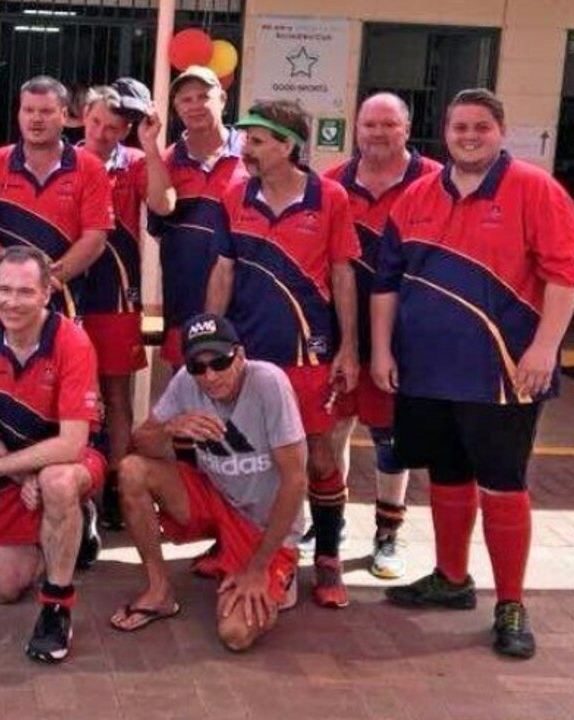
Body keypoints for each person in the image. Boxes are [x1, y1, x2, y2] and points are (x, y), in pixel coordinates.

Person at [373, 88, 574, 660]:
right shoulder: (415, 197)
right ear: (445, 130)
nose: (469, 135)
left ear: (501, 131)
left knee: (503, 484)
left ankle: (511, 602)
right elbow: (387, 282)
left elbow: (564, 278)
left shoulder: (536, 191)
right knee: (447, 474)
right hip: (426, 372)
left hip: (504, 374)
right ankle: (452, 578)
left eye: (481, 127)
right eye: (460, 126)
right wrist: (383, 351)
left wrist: (544, 350)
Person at [205, 99, 360, 609]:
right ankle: (231, 540)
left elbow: (342, 276)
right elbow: (223, 270)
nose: (245, 149)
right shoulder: (234, 195)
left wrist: (349, 348)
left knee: (317, 457)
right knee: (236, 449)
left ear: (287, 145)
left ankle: (329, 557)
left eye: (256, 140)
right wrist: (210, 339)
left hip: (307, 357)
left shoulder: (330, 197)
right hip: (245, 354)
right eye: (245, 138)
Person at [109, 313, 307, 652]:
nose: (210, 375)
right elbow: (140, 442)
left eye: (220, 362)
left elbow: (296, 481)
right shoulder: (186, 381)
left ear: (240, 355)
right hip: (217, 498)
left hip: (262, 524)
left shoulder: (268, 383)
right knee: (131, 471)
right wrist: (171, 428)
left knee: (235, 634)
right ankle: (159, 591)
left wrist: (258, 568)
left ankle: (270, 568)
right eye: (199, 367)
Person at [0, 246, 106, 664]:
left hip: (74, 462)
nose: (11, 301)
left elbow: (73, 444)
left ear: (46, 295)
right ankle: (71, 529)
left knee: (57, 482)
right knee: (3, 589)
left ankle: (57, 606)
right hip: (19, 467)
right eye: (3, 290)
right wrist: (20, 478)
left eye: (25, 292)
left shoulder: (73, 342)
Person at [322, 92, 440, 579]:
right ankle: (331, 523)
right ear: (356, 129)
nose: (377, 133)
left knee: (392, 439)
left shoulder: (434, 182)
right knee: (332, 431)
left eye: (388, 125)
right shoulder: (331, 183)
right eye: (369, 124)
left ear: (406, 129)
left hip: (403, 334)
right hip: (339, 330)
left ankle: (387, 533)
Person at [0, 75, 113, 322]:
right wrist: (15, 272)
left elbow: (95, 238)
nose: (35, 119)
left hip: (65, 297)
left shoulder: (91, 168)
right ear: (19, 114)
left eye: (46, 111)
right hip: (2, 300)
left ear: (65, 116)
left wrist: (49, 280)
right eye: (28, 110)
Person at [78, 79, 151, 531]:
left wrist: (151, 143)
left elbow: (164, 201)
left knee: (116, 394)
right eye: (97, 122)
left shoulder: (138, 163)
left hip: (119, 294)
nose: (103, 133)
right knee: (64, 393)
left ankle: (117, 489)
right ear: (82, 117)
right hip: (69, 288)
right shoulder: (63, 160)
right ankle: (76, 484)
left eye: (114, 127)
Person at [140, 65, 246, 369]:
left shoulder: (251, 154)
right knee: (187, 403)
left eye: (204, 96)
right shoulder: (166, 161)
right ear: (175, 108)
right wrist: (150, 146)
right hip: (186, 307)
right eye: (186, 99)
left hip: (247, 308)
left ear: (223, 99)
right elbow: (160, 213)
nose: (196, 105)